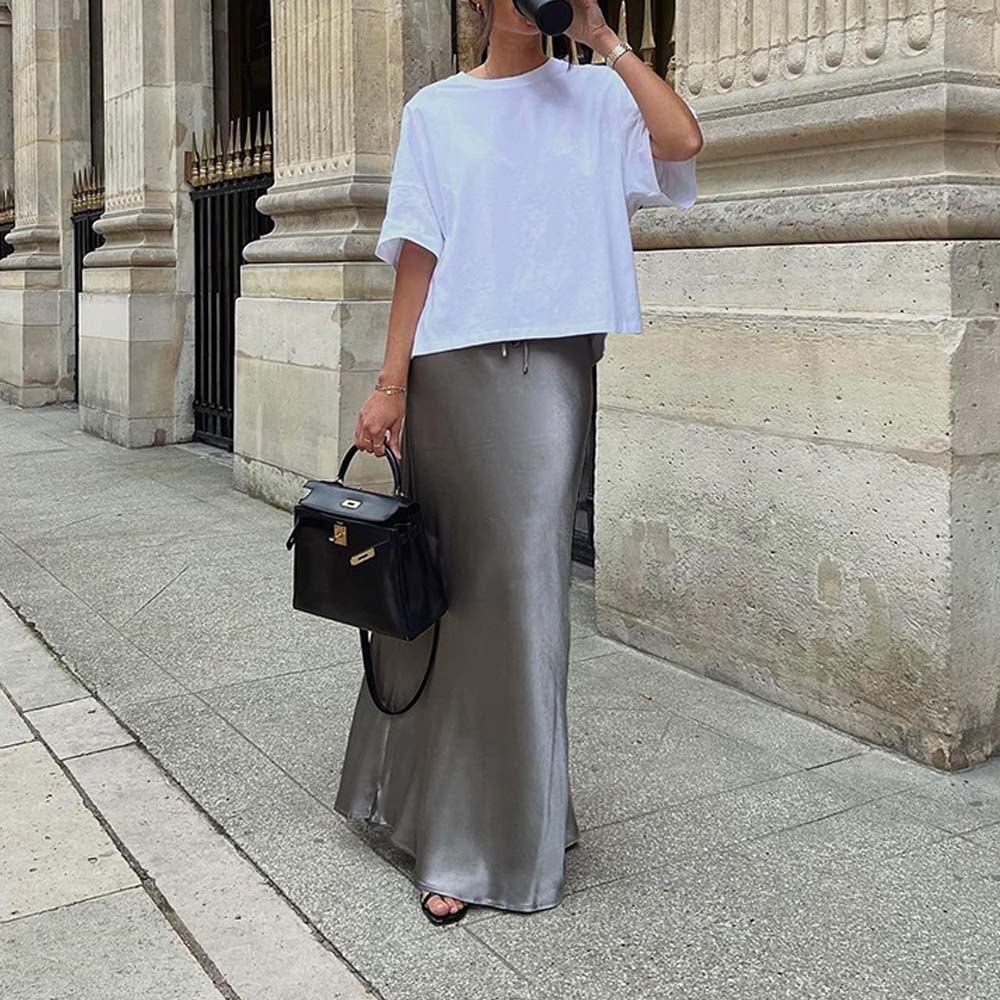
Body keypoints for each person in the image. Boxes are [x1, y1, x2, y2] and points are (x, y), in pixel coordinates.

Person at [332, 0, 703, 925]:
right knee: (445, 594)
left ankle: (490, 838)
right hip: (448, 371)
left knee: (528, 594)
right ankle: (427, 809)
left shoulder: (594, 95)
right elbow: (418, 254)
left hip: (548, 377)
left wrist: (607, 39)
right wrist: (390, 384)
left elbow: (683, 139)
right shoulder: (435, 112)